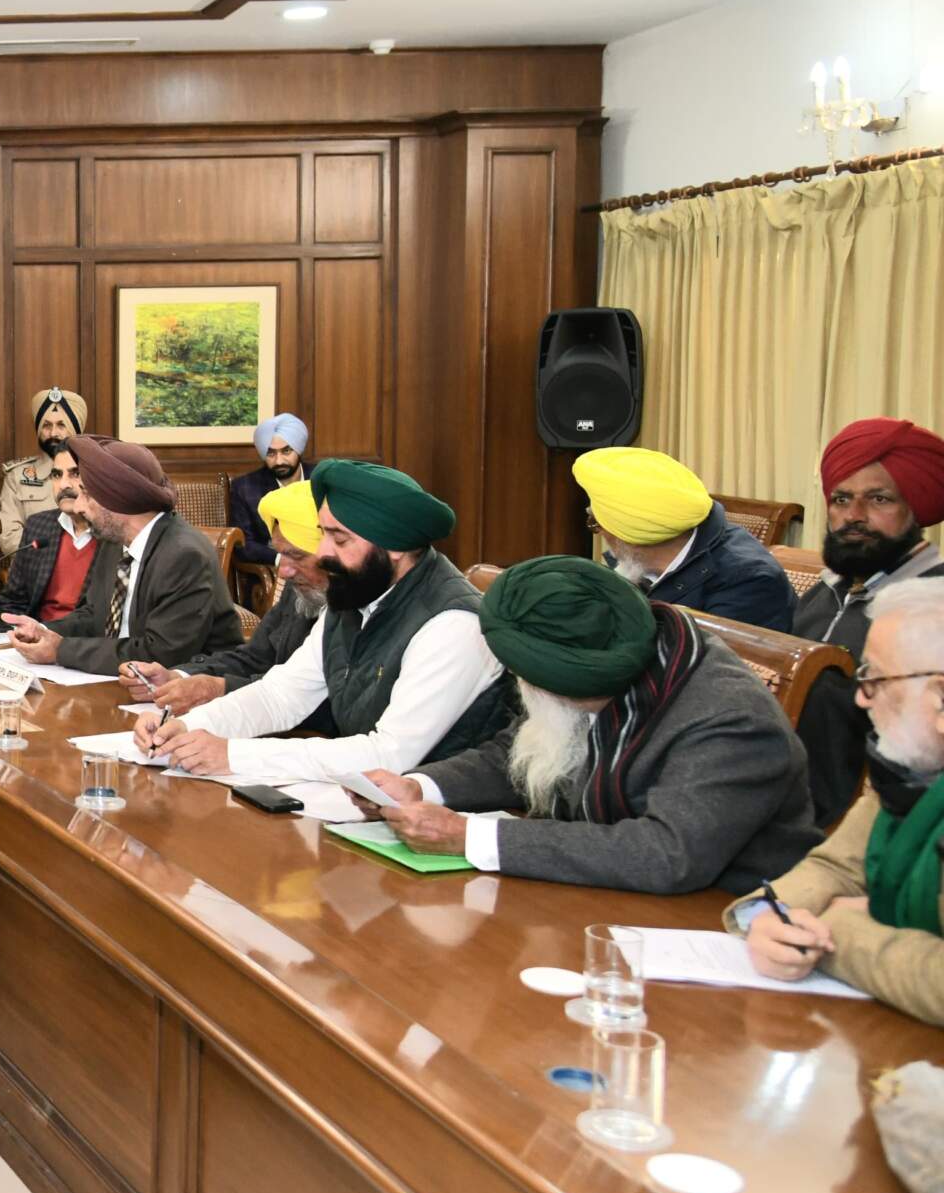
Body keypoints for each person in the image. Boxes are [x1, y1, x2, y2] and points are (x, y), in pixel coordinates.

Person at [361, 556, 817, 893]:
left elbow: (666, 853)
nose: (522, 686)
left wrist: (468, 837)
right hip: (593, 894)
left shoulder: (732, 721)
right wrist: (420, 787)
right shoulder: (596, 655)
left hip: (719, 923)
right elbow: (523, 753)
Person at [136, 460, 508, 783]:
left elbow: (389, 754)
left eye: (339, 540)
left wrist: (232, 755)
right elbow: (281, 695)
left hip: (446, 819)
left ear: (394, 547)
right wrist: (188, 727)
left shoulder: (453, 624)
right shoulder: (355, 593)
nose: (324, 552)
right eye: (323, 533)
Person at [735, 578, 944, 1023]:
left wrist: (835, 933)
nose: (861, 699)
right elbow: (836, 867)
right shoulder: (910, 769)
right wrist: (770, 915)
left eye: (874, 679)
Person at [794, 418, 944, 826]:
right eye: (841, 499)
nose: (854, 516)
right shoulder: (825, 590)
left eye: (879, 499)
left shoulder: (932, 607)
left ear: (915, 510)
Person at [0, 435, 241, 673]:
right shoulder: (114, 542)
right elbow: (93, 614)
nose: (78, 506)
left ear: (118, 498)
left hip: (185, 687)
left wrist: (60, 650)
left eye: (86, 494)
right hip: (119, 680)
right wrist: (44, 631)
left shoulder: (183, 556)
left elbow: (160, 654)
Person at [122, 478, 330, 719]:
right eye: (281, 554)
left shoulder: (353, 608)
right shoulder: (300, 588)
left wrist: (220, 689)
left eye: (297, 555)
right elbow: (253, 658)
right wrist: (178, 676)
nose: (283, 571)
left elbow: (319, 700)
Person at [572, 446, 793, 632]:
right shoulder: (642, 563)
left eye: (596, 523)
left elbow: (702, 665)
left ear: (632, 536)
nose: (600, 534)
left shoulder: (748, 584)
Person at [0, 443, 89, 623]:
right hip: (37, 634)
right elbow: (12, 603)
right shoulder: (38, 526)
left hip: (89, 638)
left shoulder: (112, 532)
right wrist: (16, 631)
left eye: (75, 474)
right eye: (57, 475)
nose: (63, 485)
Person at [0, 388, 87, 557]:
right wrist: (49, 557)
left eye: (61, 425)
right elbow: (8, 535)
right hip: (33, 564)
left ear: (75, 429)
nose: (53, 433)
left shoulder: (92, 473)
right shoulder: (18, 476)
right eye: (46, 425)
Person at [228, 413, 311, 567]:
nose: (279, 461)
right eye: (271, 453)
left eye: (286, 451)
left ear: (298, 450)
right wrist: (281, 560)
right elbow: (242, 543)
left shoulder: (321, 479)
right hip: (274, 567)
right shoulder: (245, 488)